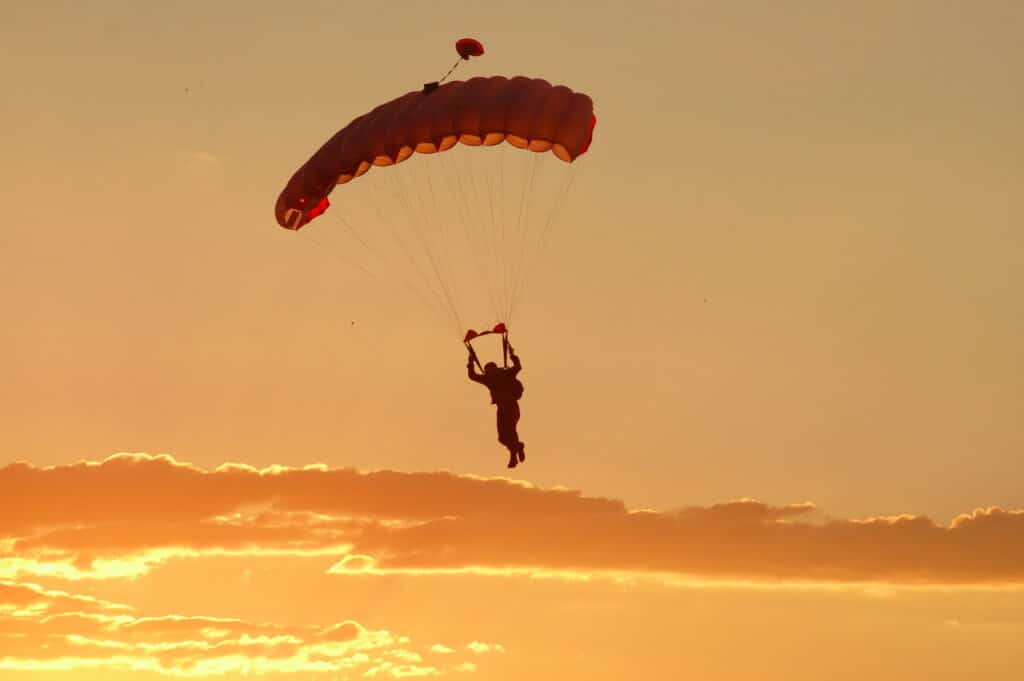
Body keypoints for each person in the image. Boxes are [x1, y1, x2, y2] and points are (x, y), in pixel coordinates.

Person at [467, 345, 525, 468]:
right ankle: (517, 448)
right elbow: (472, 376)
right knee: (502, 437)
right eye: (487, 371)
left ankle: (513, 456)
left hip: (511, 406)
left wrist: (512, 355)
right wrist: (470, 361)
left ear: (494, 369)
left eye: (490, 370)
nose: (489, 372)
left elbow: (518, 367)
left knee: (510, 431)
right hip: (502, 408)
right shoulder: (489, 379)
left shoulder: (506, 374)